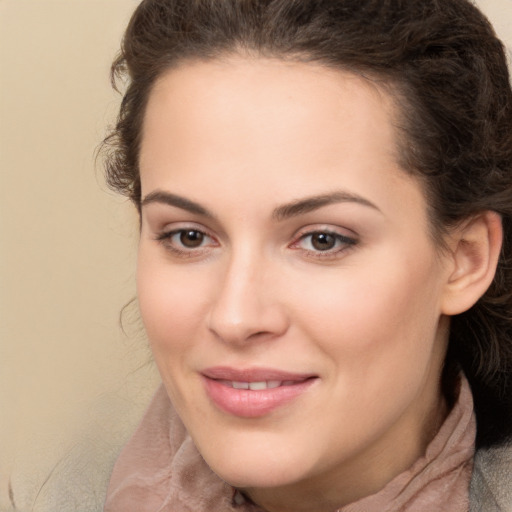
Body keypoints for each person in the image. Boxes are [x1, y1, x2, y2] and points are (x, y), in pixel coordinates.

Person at [102, 0, 512, 511]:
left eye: (323, 239)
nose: (236, 318)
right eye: (188, 236)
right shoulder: (37, 493)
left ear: (465, 260)